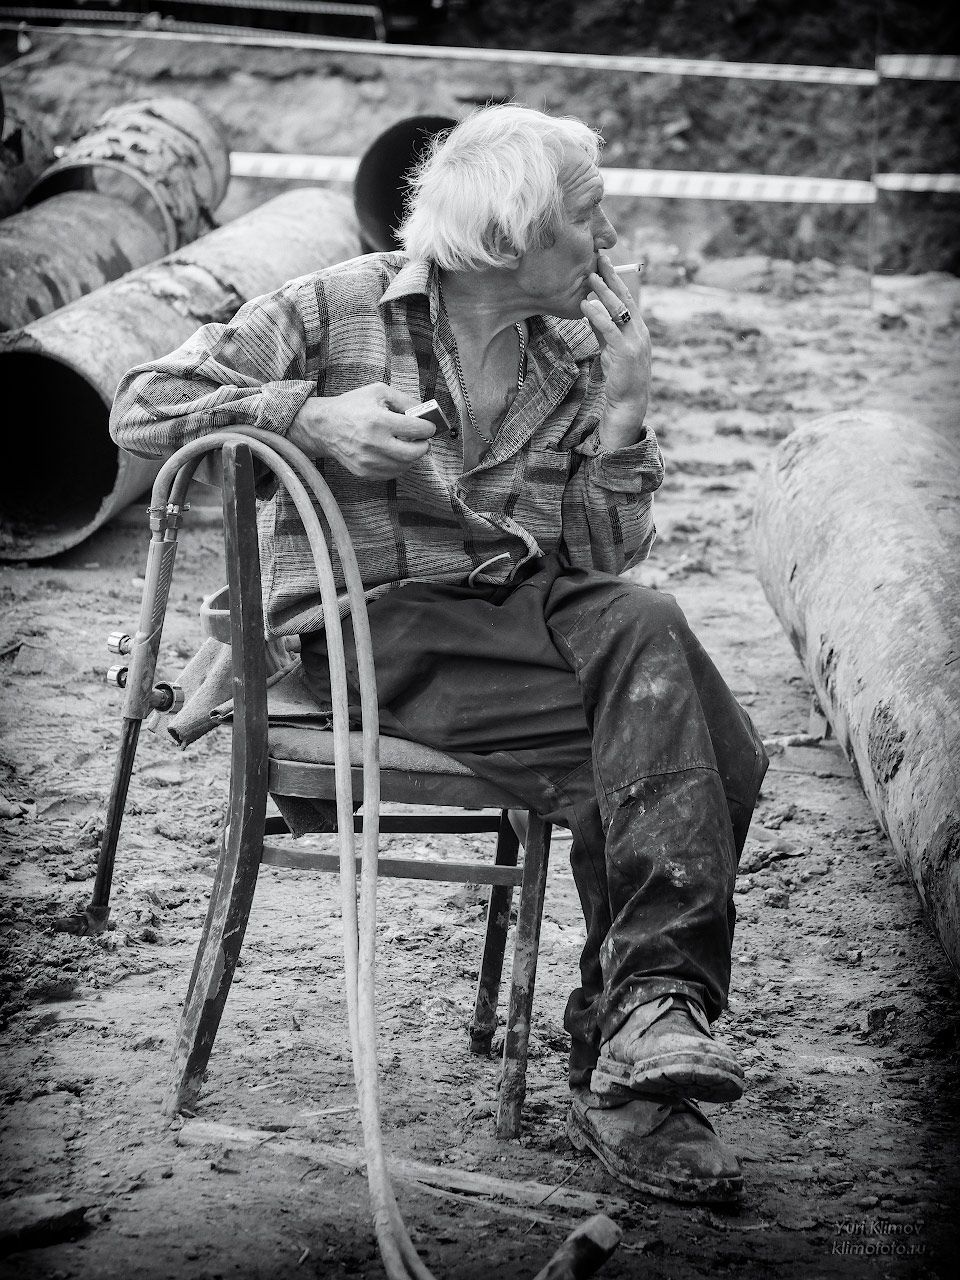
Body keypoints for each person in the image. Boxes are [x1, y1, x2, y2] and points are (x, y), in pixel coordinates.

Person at [110, 104, 767, 1204]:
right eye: (590, 219)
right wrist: (310, 418)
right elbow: (141, 409)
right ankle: (635, 1045)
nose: (610, 243)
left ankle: (638, 1037)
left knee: (687, 730)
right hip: (369, 627)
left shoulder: (572, 352)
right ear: (509, 239)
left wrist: (625, 416)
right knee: (698, 733)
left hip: (513, 625)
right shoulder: (337, 306)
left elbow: (599, 557)